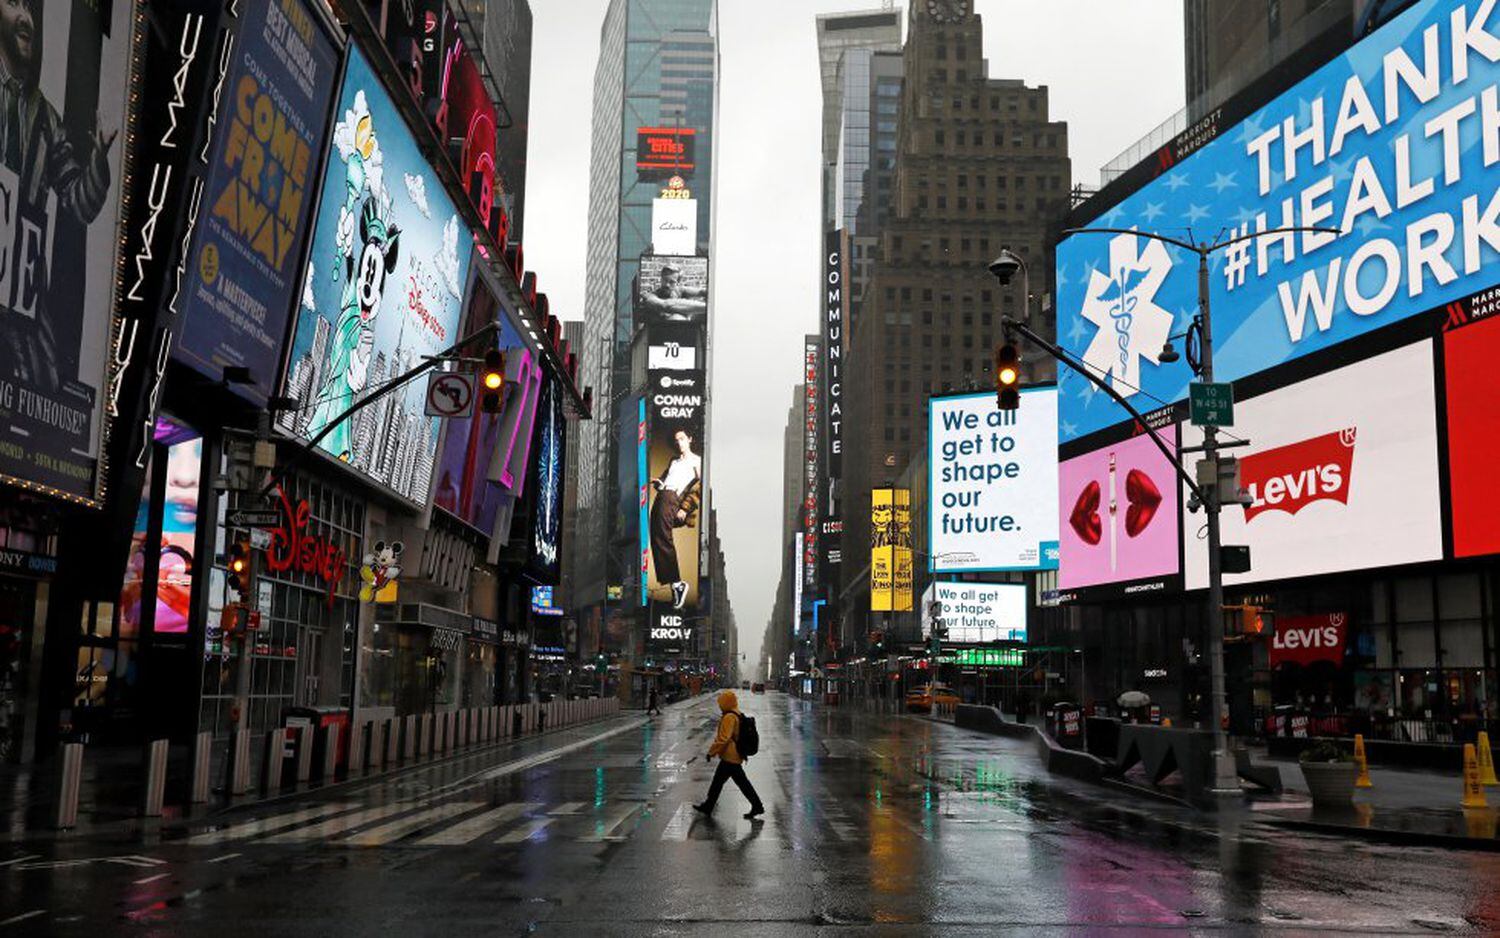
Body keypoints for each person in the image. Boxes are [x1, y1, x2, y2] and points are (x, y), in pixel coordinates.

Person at [0, 0, 119, 392]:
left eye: (30, 8)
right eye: (14, 3)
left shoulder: (45, 119)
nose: (26, 18)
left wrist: (99, 159)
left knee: (42, 388)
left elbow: (78, 203)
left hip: (24, 310)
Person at [649, 428, 702, 609]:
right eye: (676, 439)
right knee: (657, 535)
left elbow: (699, 488)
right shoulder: (673, 461)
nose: (679, 442)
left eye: (682, 438)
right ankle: (675, 585)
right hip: (663, 496)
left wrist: (685, 509)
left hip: (673, 499)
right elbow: (667, 480)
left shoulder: (697, 461)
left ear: (690, 439)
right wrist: (660, 483)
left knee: (662, 536)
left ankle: (677, 584)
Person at [694, 690, 763, 820]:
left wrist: (711, 752)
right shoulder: (736, 713)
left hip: (730, 757)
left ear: (726, 703)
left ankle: (756, 805)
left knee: (730, 783)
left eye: (721, 703)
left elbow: (724, 738)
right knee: (723, 782)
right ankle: (709, 806)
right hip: (733, 756)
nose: (720, 705)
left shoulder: (729, 717)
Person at [638, 263, 707, 322]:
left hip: (682, 332)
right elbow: (665, 305)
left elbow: (702, 291)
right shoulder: (650, 296)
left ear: (678, 283)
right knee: (676, 317)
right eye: (665, 280)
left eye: (672, 282)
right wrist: (708, 308)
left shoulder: (680, 290)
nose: (667, 285)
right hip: (658, 333)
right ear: (661, 279)